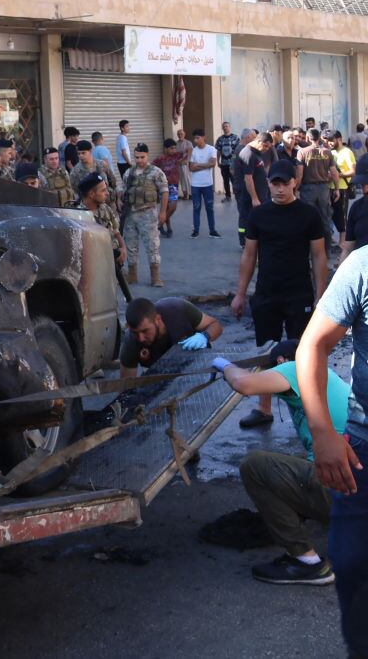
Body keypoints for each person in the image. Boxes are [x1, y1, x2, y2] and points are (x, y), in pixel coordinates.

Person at [214, 339, 347, 585]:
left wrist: (224, 366)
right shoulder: (327, 379)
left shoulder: (297, 368)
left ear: (280, 362)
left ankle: (305, 562)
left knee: (255, 466)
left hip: (349, 490)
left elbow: (243, 383)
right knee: (289, 465)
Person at [295, 253, 368, 659]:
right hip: (362, 452)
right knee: (352, 560)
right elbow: (313, 345)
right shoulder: (363, 266)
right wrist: (322, 433)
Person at [231, 160, 328, 429]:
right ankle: (264, 409)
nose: (280, 188)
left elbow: (319, 256)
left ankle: (313, 407)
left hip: (299, 294)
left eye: (285, 183)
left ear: (295, 182)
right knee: (267, 351)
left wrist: (321, 296)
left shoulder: (308, 214)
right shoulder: (259, 215)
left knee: (304, 350)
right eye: (275, 183)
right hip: (267, 293)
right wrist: (240, 293)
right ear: (269, 184)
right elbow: (249, 255)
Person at [118, 297, 223, 377]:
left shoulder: (178, 310)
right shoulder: (131, 340)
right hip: (162, 376)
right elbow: (127, 385)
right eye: (136, 333)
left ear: (157, 320)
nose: (141, 338)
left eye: (145, 331)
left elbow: (215, 325)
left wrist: (204, 336)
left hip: (197, 366)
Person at [121, 143, 169, 287]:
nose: (139, 160)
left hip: (148, 213)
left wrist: (163, 212)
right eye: (137, 157)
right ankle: (132, 275)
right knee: (130, 245)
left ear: (147, 156)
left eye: (142, 157)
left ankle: (155, 277)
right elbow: (123, 190)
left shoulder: (156, 172)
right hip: (130, 214)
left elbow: (164, 191)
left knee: (152, 245)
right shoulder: (129, 173)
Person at [78, 172, 128, 298]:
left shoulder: (105, 208)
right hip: (93, 266)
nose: (107, 193)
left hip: (112, 260)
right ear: (91, 194)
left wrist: (123, 248)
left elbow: (116, 231)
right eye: (103, 190)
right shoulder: (78, 214)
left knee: (111, 297)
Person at [296, 128, 341, 246]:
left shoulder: (302, 152)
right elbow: (334, 172)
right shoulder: (327, 152)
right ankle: (326, 248)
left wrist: (295, 190)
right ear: (319, 138)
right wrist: (336, 189)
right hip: (324, 189)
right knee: (325, 218)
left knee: (307, 218)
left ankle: (308, 248)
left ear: (308, 138)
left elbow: (299, 174)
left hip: (308, 189)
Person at [233, 131, 273, 249]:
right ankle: (245, 242)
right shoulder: (248, 153)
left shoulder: (257, 153)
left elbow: (258, 173)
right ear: (259, 141)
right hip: (248, 195)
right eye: (265, 146)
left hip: (261, 194)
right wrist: (254, 198)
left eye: (268, 147)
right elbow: (248, 178)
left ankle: (257, 241)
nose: (266, 149)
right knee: (247, 218)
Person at [188, 128, 220, 238]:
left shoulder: (211, 149)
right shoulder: (193, 150)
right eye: (195, 138)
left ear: (203, 137)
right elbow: (191, 168)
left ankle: (212, 230)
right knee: (196, 207)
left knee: (209, 208)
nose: (196, 140)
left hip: (207, 184)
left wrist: (198, 165)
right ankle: (195, 230)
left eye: (198, 138)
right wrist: (205, 164)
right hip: (195, 185)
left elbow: (212, 164)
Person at [330, 130, 356, 250]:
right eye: (328, 140)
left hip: (342, 188)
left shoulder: (347, 152)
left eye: (332, 140)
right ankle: (332, 241)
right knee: (329, 216)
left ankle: (342, 244)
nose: (329, 143)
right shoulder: (329, 152)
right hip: (328, 188)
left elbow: (353, 171)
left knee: (341, 217)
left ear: (339, 139)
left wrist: (338, 175)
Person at [153, 139, 184, 237]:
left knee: (173, 207)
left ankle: (160, 224)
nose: (174, 150)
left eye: (175, 148)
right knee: (165, 208)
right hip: (163, 186)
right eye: (171, 148)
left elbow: (189, 150)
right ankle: (168, 228)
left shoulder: (176, 156)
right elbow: (152, 168)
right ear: (165, 149)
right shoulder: (160, 159)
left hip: (173, 185)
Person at [69, 140, 117, 204]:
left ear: (90, 151)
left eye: (83, 153)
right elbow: (75, 192)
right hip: (89, 206)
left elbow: (113, 182)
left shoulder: (102, 165)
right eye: (78, 153)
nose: (81, 156)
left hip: (107, 203)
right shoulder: (75, 172)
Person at [340, 154, 368, 262]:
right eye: (362, 183)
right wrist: (340, 275)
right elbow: (348, 248)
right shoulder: (357, 207)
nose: (365, 189)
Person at [215, 122, 241, 203]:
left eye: (227, 126)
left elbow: (236, 151)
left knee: (234, 180)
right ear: (222, 128)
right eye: (224, 127)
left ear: (230, 127)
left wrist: (234, 162)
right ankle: (228, 196)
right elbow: (218, 151)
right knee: (225, 180)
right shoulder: (220, 139)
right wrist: (218, 161)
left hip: (232, 164)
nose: (225, 128)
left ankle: (238, 196)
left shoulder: (235, 138)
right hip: (224, 164)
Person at [176, 128, 193, 200]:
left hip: (185, 164)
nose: (180, 135)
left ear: (184, 134)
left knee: (188, 179)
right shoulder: (176, 143)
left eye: (181, 134)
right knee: (182, 180)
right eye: (179, 134)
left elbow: (190, 153)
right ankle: (185, 195)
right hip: (178, 164)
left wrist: (187, 161)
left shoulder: (188, 143)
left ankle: (191, 194)